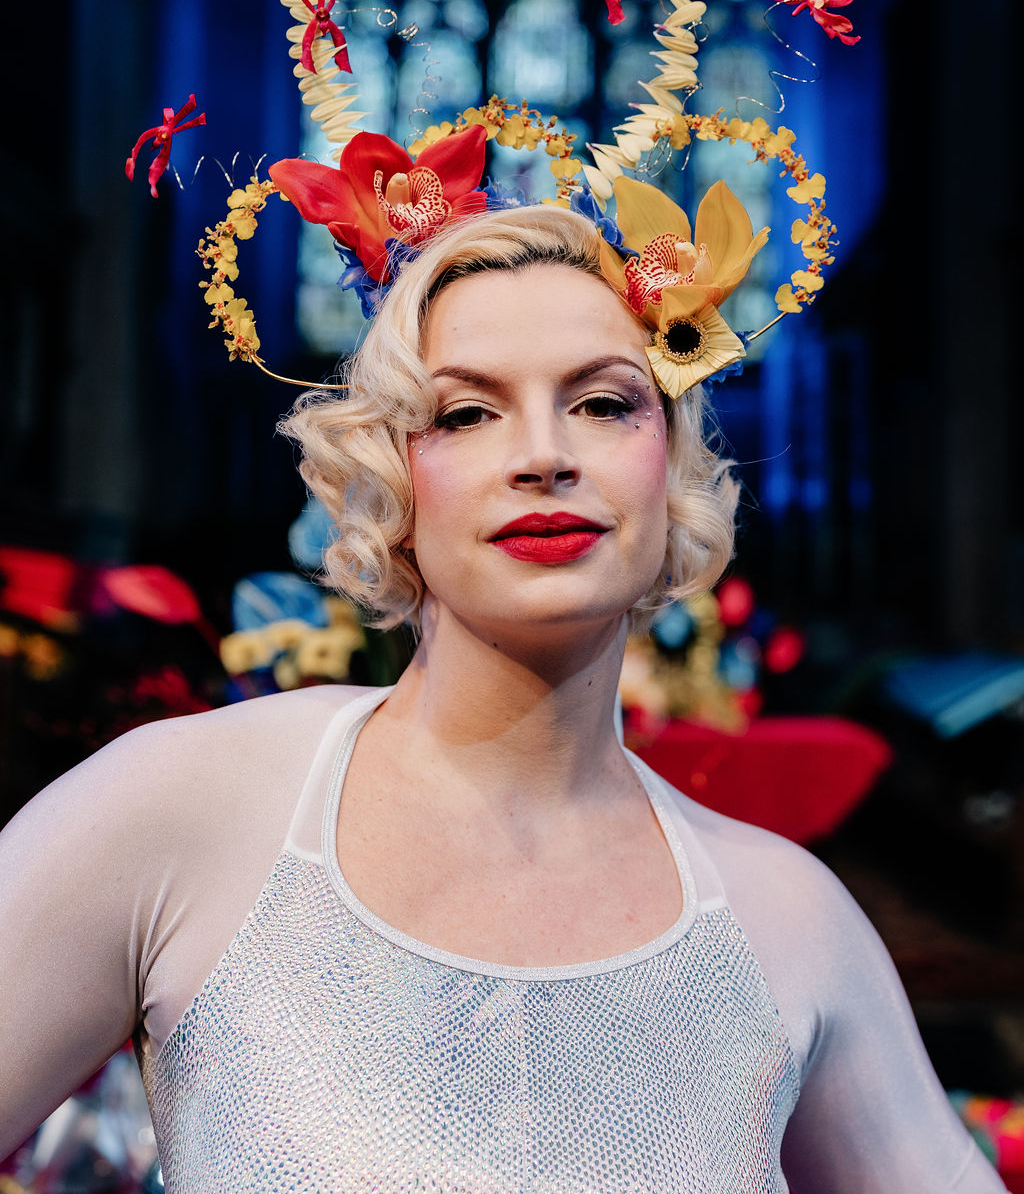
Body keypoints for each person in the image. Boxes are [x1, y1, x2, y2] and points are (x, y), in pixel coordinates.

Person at [0, 204, 1007, 1191]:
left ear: (673, 467)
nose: (543, 455)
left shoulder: (786, 921)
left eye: (604, 403)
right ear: (390, 475)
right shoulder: (187, 811)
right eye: (467, 413)